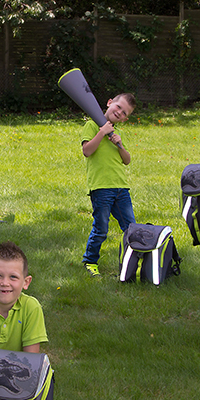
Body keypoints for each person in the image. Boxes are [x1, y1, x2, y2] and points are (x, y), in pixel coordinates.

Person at [79, 93, 138, 277]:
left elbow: (127, 160)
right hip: (101, 188)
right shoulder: (91, 125)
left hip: (121, 187)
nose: (119, 112)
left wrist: (120, 144)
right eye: (118, 107)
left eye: (124, 112)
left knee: (131, 227)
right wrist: (102, 132)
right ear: (109, 102)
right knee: (101, 228)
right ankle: (90, 261)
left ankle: (134, 262)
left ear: (125, 119)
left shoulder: (119, 134)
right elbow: (87, 151)